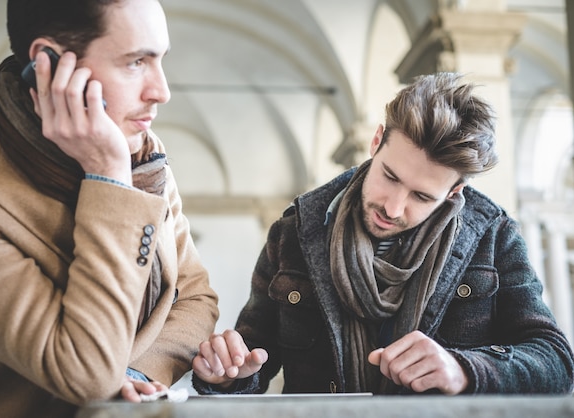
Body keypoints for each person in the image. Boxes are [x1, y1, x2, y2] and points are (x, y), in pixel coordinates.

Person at [191, 72, 574, 396]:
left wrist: (465, 369)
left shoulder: (495, 236)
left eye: (422, 196)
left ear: (454, 192)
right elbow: (255, 355)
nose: (392, 207)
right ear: (376, 142)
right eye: (390, 176)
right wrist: (230, 374)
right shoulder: (294, 231)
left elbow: (556, 361)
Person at [0, 0, 219, 416]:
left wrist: (138, 375)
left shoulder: (144, 155)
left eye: (160, 59)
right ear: (51, 66)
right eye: (135, 62)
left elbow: (195, 297)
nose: (161, 91)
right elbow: (87, 375)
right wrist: (108, 176)